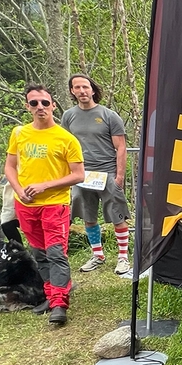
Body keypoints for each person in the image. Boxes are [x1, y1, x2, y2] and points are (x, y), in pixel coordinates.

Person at [4, 84, 85, 326]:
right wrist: (19, 190)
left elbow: (79, 175)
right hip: (25, 205)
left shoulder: (66, 138)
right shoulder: (19, 133)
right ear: (27, 106)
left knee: (56, 253)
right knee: (38, 253)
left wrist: (45, 186)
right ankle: (50, 295)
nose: (40, 107)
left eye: (45, 103)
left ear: (53, 105)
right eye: (34, 103)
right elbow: (9, 166)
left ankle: (59, 303)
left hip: (54, 204)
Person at [61, 74, 132, 275]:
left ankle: (123, 258)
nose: (82, 91)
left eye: (85, 87)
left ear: (92, 90)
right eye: (77, 87)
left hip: (107, 173)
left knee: (117, 215)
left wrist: (119, 177)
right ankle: (98, 255)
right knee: (88, 216)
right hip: (82, 175)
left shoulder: (109, 115)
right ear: (72, 91)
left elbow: (121, 147)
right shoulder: (68, 116)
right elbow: (65, 145)